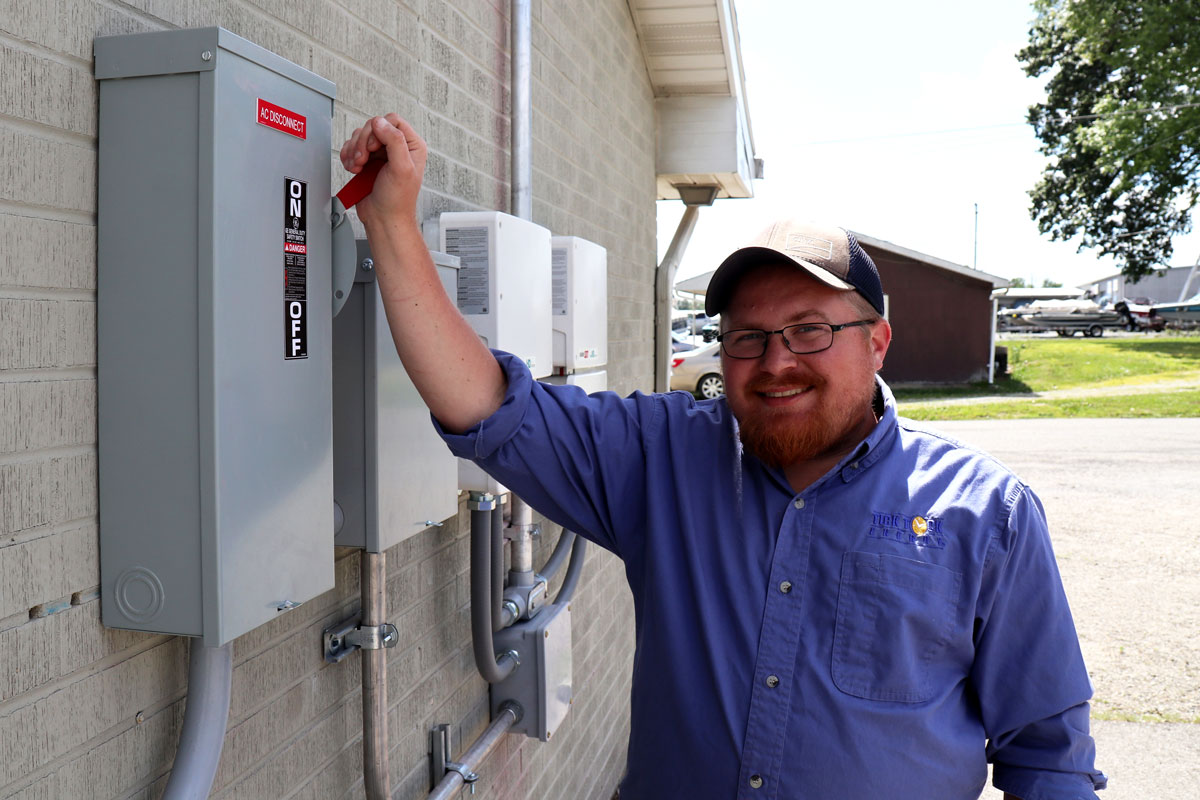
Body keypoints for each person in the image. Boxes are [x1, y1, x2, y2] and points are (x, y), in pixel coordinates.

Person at [341, 115, 1107, 800]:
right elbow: (486, 407)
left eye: (810, 330)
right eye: (747, 337)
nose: (776, 362)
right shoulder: (662, 460)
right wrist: (394, 222)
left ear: (876, 343)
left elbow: (1049, 756)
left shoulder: (986, 514)